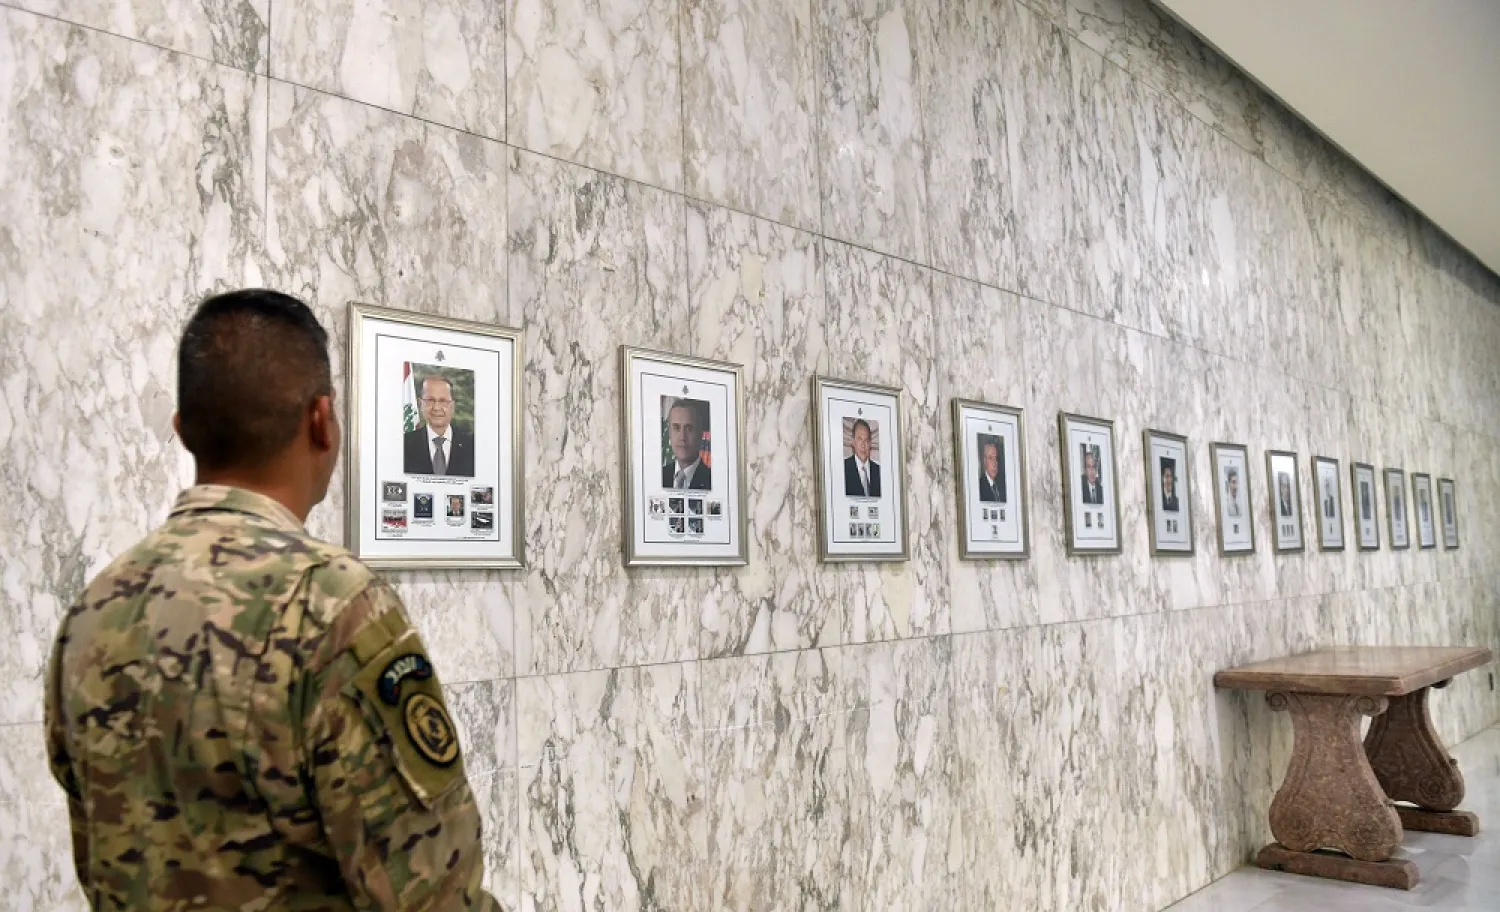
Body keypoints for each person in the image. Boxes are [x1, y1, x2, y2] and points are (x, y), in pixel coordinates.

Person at [44, 290, 499, 910]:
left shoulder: (93, 613)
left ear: (182, 431)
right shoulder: (333, 607)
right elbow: (434, 889)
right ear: (322, 421)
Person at [662, 398, 712, 490]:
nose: (682, 437)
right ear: (669, 433)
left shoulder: (712, 480)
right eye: (676, 428)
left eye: (688, 428)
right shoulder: (660, 475)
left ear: (700, 434)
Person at [843, 418, 881, 497]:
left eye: (866, 440)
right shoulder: (843, 468)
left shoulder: (879, 471)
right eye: (860, 439)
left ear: (870, 444)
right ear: (853, 442)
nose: (863, 445)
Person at [977, 437, 1005, 503]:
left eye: (996, 458)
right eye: (990, 458)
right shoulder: (979, 486)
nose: (994, 463)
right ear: (984, 461)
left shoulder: (1002, 483)